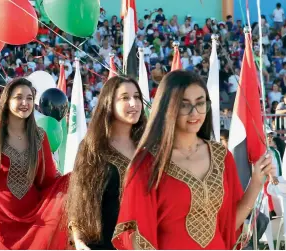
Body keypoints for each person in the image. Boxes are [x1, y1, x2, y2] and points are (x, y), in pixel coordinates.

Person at [112, 70, 274, 250]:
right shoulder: (147, 163)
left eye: (200, 103)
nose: (194, 112)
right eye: (184, 105)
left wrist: (257, 183)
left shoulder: (222, 156)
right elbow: (136, 236)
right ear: (168, 107)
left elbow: (228, 225)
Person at [0, 78, 69, 250]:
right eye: (18, 97)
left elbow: (48, 181)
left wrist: (74, 179)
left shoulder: (40, 137)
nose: (25, 103)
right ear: (7, 101)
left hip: (33, 219)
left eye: (29, 98)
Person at [66, 76, 147, 250]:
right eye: (125, 98)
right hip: (104, 243)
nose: (134, 103)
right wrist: (78, 241)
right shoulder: (92, 147)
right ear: (109, 103)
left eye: (137, 97)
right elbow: (80, 198)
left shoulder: (149, 146)